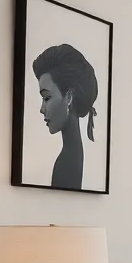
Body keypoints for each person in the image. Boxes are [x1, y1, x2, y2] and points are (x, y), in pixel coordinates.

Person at [32, 44, 98, 189]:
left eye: (47, 98)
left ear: (68, 97)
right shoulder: (74, 156)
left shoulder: (66, 163)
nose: (42, 110)